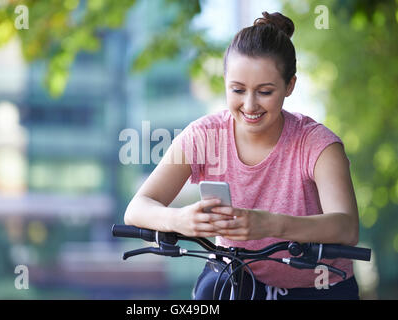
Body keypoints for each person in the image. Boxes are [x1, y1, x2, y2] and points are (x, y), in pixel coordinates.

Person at [124, 11, 360, 300]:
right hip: (242, 279)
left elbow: (346, 227)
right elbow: (137, 208)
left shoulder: (317, 143)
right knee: (211, 291)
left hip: (319, 286)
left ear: (290, 86)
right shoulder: (205, 135)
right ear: (225, 82)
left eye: (265, 91)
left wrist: (271, 224)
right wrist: (179, 219)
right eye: (237, 89)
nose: (249, 105)